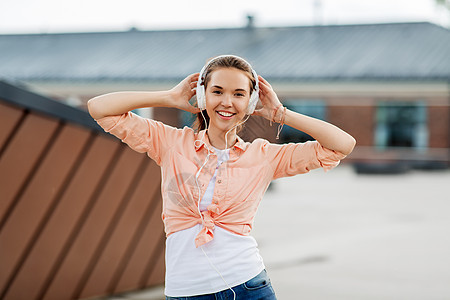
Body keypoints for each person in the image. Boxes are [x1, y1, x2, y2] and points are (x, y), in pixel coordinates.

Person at [87, 55, 356, 300]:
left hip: (249, 285)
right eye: (217, 91)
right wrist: (168, 97)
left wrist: (281, 113)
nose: (227, 102)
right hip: (186, 292)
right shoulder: (171, 143)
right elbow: (99, 108)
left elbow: (342, 144)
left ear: (249, 102)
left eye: (239, 94)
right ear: (203, 96)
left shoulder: (263, 156)